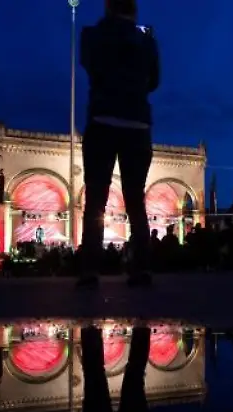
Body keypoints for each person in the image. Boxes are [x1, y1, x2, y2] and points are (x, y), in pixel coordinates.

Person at [77, 0, 161, 288]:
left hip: (102, 120)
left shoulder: (92, 35)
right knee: (135, 199)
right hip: (138, 124)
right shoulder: (147, 41)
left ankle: (90, 271)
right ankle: (142, 269)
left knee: (96, 198)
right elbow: (154, 82)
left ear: (107, 7)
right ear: (133, 10)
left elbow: (90, 66)